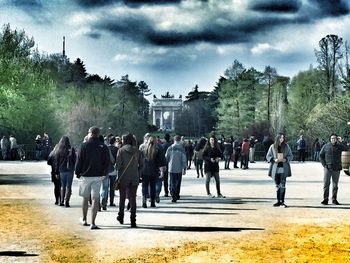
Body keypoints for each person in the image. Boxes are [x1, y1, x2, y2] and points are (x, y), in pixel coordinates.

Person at [75, 126, 110, 230]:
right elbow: (106, 162)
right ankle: (93, 223)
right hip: (98, 176)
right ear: (98, 134)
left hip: (85, 176)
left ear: (90, 133)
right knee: (95, 199)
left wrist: (77, 173)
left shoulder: (83, 146)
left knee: (85, 198)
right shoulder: (103, 146)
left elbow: (79, 161)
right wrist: (104, 173)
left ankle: (84, 219)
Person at [115, 133, 143, 228]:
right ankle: (133, 219)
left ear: (125, 140)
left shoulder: (121, 151)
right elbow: (142, 165)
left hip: (123, 177)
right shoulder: (137, 151)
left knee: (122, 198)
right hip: (134, 177)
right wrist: (137, 171)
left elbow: (118, 166)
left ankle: (121, 216)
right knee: (133, 198)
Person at [319, 134, 349, 205]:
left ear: (336, 139)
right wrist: (324, 165)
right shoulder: (326, 146)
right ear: (330, 139)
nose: (333, 139)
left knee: (335, 185)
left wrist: (341, 141)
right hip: (328, 168)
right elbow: (321, 156)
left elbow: (347, 149)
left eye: (335, 138)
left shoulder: (339, 146)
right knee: (326, 184)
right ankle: (325, 199)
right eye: (332, 138)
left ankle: (334, 199)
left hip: (336, 168)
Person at [266, 133, 293, 207]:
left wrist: (286, 159)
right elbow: (268, 156)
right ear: (277, 138)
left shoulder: (286, 146)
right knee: (277, 185)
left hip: (283, 169)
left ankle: (282, 201)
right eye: (281, 137)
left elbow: (291, 156)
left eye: (283, 138)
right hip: (275, 169)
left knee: (282, 185)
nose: (282, 139)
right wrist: (274, 160)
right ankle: (278, 201)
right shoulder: (272, 146)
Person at [141, 134, 166, 208]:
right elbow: (160, 161)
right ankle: (152, 202)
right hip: (154, 170)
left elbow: (140, 159)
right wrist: (161, 171)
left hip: (144, 169)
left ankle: (144, 200)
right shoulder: (157, 148)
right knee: (152, 186)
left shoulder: (143, 148)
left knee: (144, 186)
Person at [52, 136, 76, 207]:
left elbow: (57, 162)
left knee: (62, 185)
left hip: (62, 170)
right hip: (70, 170)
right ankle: (67, 202)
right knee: (69, 186)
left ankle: (62, 200)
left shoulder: (59, 149)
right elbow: (74, 160)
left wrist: (56, 172)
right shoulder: (71, 149)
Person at [165, 135, 187, 203]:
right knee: (178, 182)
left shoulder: (170, 148)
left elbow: (166, 157)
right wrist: (184, 168)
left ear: (174, 140)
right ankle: (177, 194)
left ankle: (173, 195)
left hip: (171, 168)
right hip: (179, 168)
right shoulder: (182, 149)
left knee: (172, 182)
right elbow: (184, 159)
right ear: (180, 140)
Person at [161, 133, 172, 197]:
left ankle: (166, 191)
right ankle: (171, 190)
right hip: (171, 162)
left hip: (164, 163)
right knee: (171, 178)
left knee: (165, 178)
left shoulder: (162, 146)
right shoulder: (171, 145)